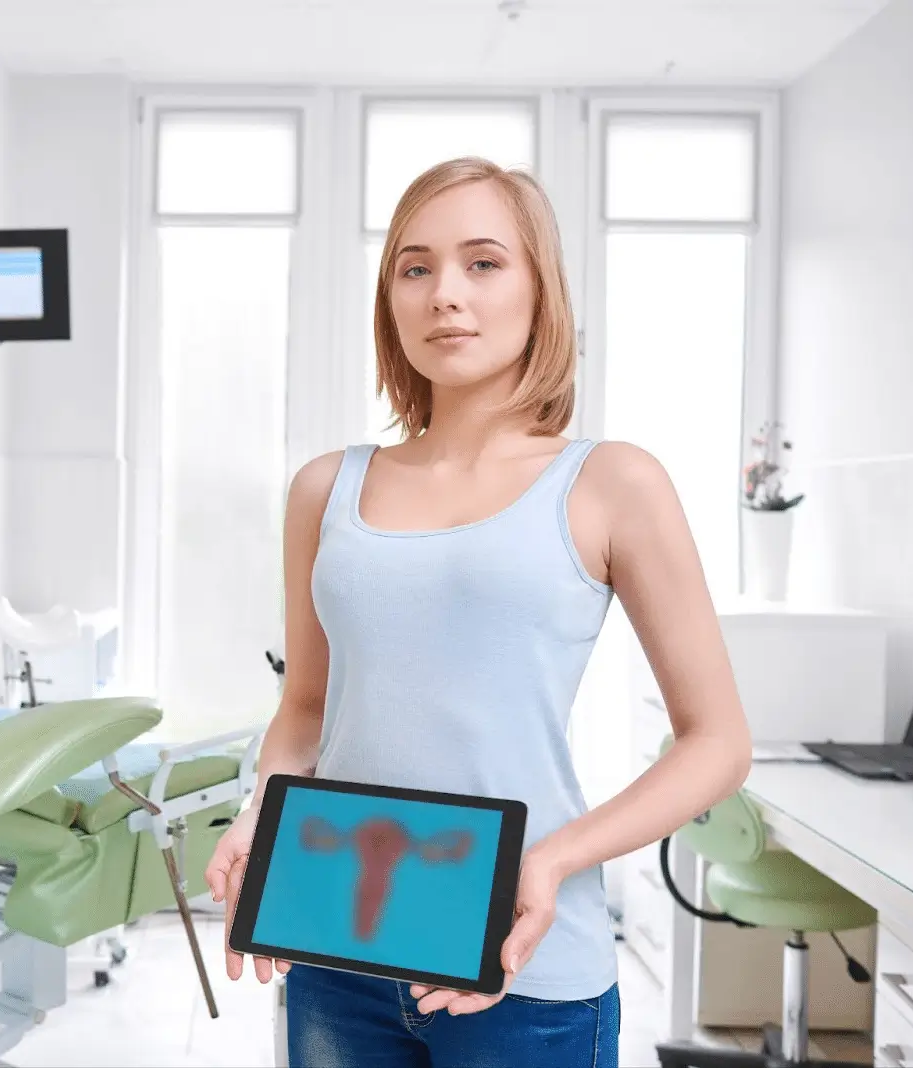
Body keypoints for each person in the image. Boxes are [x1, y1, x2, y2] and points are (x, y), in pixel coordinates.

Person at [204, 156, 754, 1067]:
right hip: (339, 956)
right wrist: (261, 813)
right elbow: (306, 713)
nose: (443, 294)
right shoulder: (324, 490)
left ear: (542, 289)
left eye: (483, 263)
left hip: (522, 964)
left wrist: (547, 863)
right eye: (414, 269)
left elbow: (718, 743)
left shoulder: (611, 483)